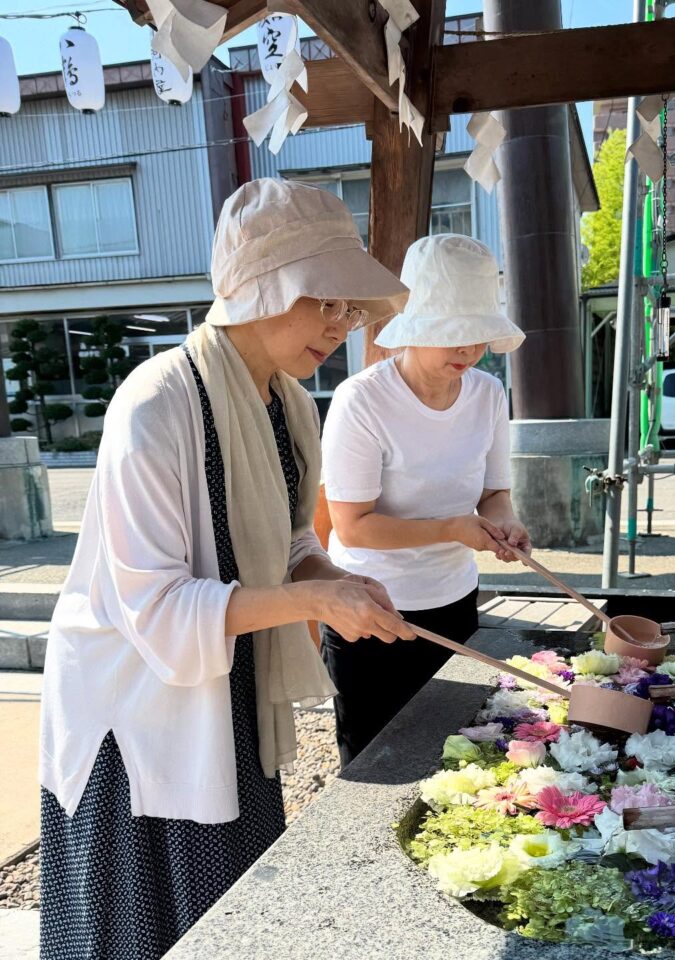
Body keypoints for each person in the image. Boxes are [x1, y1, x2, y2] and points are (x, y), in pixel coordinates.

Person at [38, 179, 417, 960]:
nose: (343, 324)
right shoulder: (157, 404)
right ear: (261, 288)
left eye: (351, 308)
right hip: (138, 697)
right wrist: (312, 594)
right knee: (147, 922)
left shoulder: (289, 403)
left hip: (234, 671)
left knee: (235, 896)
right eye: (327, 301)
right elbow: (157, 606)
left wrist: (333, 579)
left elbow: (283, 545)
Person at [320, 234, 530, 767]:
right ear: (413, 329)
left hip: (455, 599)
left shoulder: (487, 393)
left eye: (477, 333)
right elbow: (353, 527)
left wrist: (504, 523)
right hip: (371, 610)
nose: (466, 349)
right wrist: (453, 528)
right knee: (377, 762)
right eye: (450, 333)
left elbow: (494, 491)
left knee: (455, 753)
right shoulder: (362, 400)